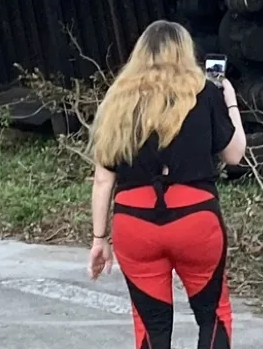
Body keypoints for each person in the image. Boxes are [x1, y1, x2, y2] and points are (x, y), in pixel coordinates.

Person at [87, 20, 247, 349]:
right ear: (185, 52)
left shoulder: (119, 98)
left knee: (151, 327)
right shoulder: (205, 91)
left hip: (134, 223)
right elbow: (234, 155)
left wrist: (99, 238)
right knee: (213, 315)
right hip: (196, 219)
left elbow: (104, 178)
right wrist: (229, 102)